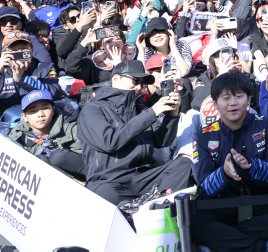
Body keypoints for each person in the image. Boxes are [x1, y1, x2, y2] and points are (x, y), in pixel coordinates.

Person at [192, 71, 268, 252]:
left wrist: (251, 166)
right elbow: (204, 187)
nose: (232, 103)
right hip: (224, 203)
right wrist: (224, 173)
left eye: (239, 96)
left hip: (263, 200)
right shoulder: (204, 134)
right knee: (193, 220)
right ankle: (259, 249)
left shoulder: (267, 124)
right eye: (225, 98)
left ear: (249, 99)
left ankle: (229, 238)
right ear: (215, 104)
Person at [77, 59, 191, 207]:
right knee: (104, 193)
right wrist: (152, 112)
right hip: (109, 180)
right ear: (116, 79)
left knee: (184, 164)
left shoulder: (140, 108)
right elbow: (110, 142)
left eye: (142, 83)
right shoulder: (93, 109)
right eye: (135, 81)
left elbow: (162, 141)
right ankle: (149, 207)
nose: (138, 87)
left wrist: (172, 115)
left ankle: (160, 207)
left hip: (143, 176)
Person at [8, 89, 84, 178]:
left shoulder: (72, 130)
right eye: (33, 111)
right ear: (25, 117)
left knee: (58, 157)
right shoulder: (16, 138)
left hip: (79, 179)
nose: (40, 114)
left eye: (45, 108)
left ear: (53, 110)